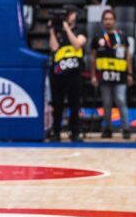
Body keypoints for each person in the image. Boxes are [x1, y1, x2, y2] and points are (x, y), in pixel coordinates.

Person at [91, 9, 132, 139]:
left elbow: (128, 56)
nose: (108, 21)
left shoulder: (123, 36)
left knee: (120, 100)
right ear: (103, 22)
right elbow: (93, 58)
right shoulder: (98, 38)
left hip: (120, 76)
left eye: (110, 19)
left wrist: (130, 74)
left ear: (114, 20)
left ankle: (126, 128)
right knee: (107, 102)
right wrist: (93, 75)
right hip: (104, 76)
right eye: (106, 19)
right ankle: (107, 129)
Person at [49, 8, 87, 142]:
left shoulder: (80, 30)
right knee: (57, 105)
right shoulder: (57, 31)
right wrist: (52, 31)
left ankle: (75, 132)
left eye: (71, 13)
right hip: (58, 73)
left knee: (74, 104)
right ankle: (56, 132)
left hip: (74, 73)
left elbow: (77, 44)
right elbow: (54, 48)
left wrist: (67, 28)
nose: (69, 16)